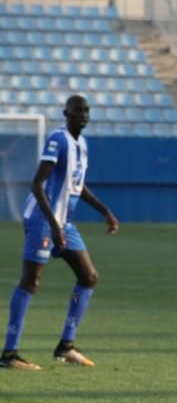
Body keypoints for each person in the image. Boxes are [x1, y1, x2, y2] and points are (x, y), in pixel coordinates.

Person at [0, 95, 119, 370]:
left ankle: (66, 345)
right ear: (66, 112)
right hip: (44, 219)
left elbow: (79, 185)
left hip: (63, 222)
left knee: (88, 277)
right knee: (31, 282)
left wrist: (105, 211)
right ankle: (9, 353)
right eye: (78, 110)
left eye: (87, 111)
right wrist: (53, 224)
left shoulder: (82, 145)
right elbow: (37, 184)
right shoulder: (58, 138)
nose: (84, 115)